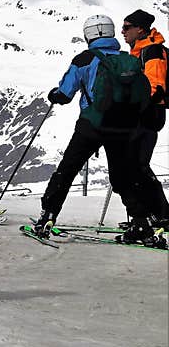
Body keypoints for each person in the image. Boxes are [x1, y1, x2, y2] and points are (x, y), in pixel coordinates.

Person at [33, 15, 164, 246]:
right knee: (123, 176)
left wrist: (53, 94)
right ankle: (141, 223)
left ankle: (48, 216)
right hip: (123, 128)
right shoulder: (127, 59)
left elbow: (65, 93)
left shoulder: (85, 58)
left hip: (92, 125)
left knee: (68, 169)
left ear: (90, 34)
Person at [121, 8, 168, 225]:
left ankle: (159, 214)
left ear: (140, 29)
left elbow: (154, 85)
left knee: (136, 165)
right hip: (149, 112)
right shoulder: (143, 50)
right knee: (138, 165)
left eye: (127, 27)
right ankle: (156, 214)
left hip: (148, 113)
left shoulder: (152, 51)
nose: (123, 31)